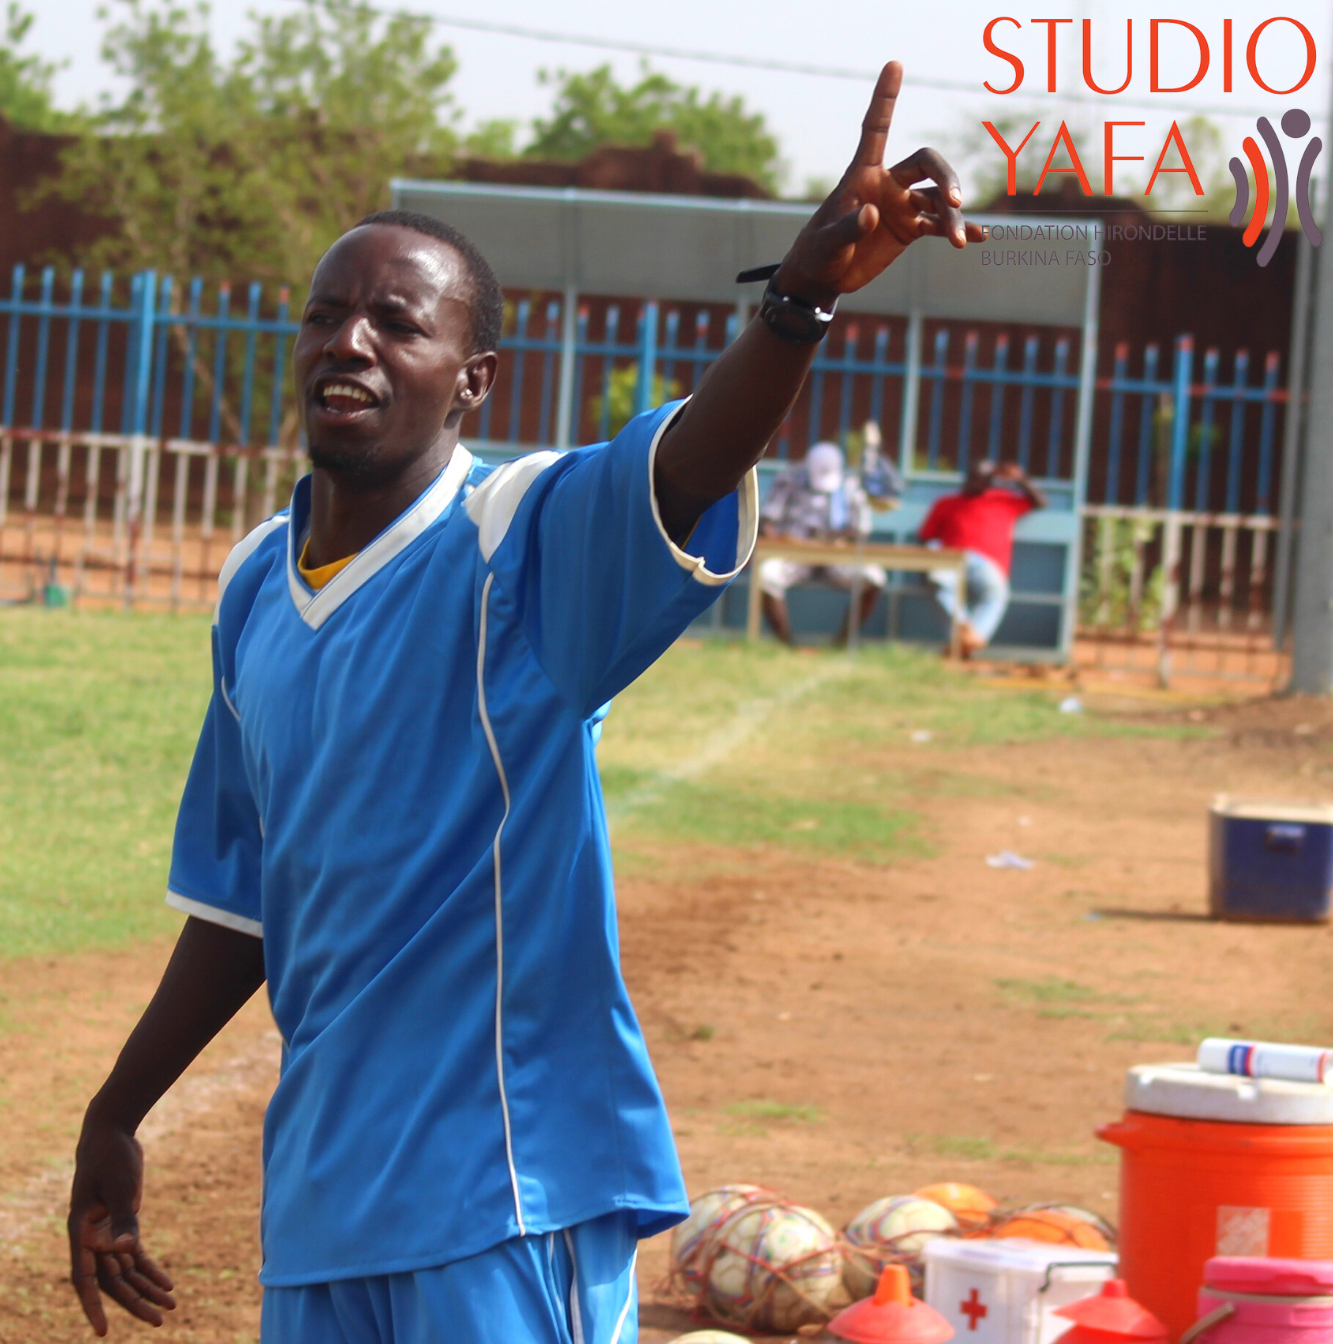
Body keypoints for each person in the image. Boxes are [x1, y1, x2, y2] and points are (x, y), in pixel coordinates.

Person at [66, 61, 982, 1344]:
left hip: (504, 1186)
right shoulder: (253, 587)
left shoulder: (517, 542)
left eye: (398, 323)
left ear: (473, 380)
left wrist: (795, 304)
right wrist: (116, 1112)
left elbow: (684, 466)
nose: (350, 342)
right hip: (321, 1206)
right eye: (327, 315)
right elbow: (243, 897)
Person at [755, 440, 885, 646]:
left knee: (874, 577)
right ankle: (785, 643)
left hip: (837, 560)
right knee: (767, 574)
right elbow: (767, 522)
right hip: (794, 556)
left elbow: (862, 530)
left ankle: (842, 642)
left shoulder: (851, 485)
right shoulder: (788, 479)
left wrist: (832, 539)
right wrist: (782, 539)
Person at [918, 459, 1045, 656]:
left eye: (981, 479)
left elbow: (1040, 503)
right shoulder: (946, 503)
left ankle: (964, 640)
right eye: (972, 478)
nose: (974, 483)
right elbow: (926, 537)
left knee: (996, 594)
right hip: (951, 558)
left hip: (986, 562)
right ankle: (967, 634)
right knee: (939, 584)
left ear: (989, 482)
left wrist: (1020, 478)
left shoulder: (1003, 500)